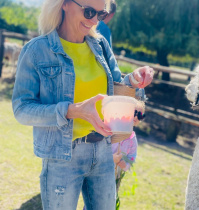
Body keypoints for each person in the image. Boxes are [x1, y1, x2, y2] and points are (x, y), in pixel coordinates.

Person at [11, 0, 154, 209]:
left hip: (104, 151)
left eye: (101, 14)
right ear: (65, 4)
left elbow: (115, 88)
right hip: (62, 155)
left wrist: (133, 79)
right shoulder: (36, 51)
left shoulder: (101, 45)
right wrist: (71, 111)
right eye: (89, 12)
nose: (95, 20)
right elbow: (21, 109)